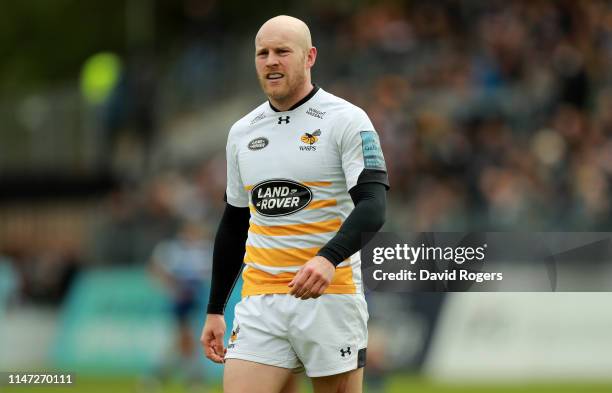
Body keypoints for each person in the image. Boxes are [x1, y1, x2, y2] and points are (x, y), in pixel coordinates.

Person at [200, 15, 389, 393]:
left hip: (330, 297)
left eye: (282, 52)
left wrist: (327, 258)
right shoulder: (241, 132)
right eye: (262, 53)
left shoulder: (348, 120)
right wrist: (215, 308)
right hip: (260, 301)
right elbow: (236, 222)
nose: (271, 60)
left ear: (309, 57)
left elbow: (373, 205)